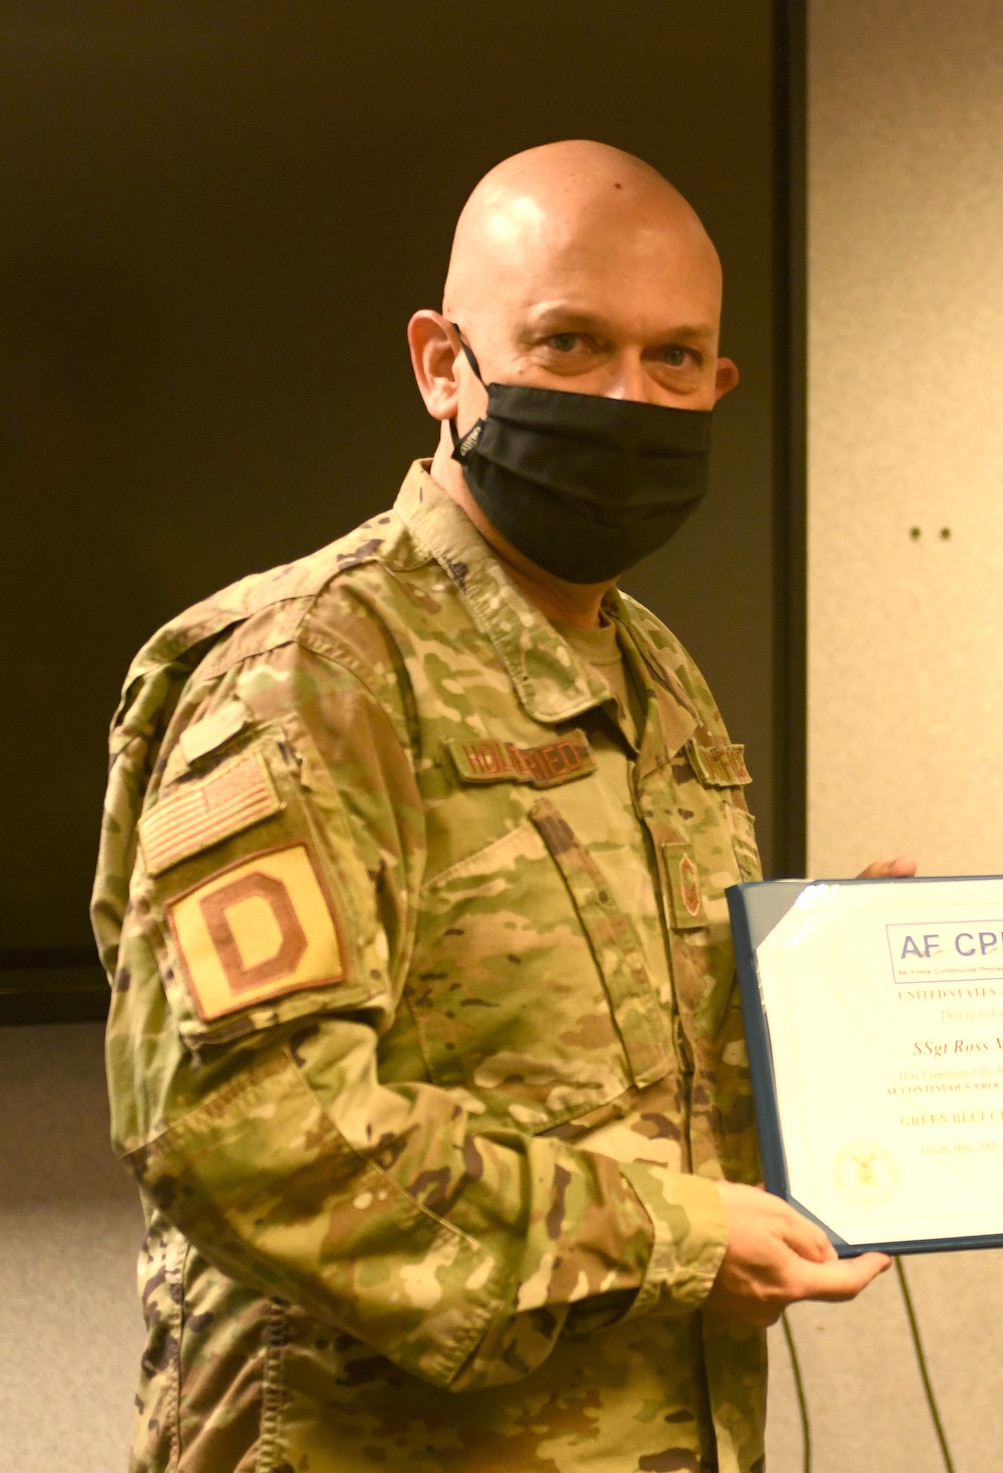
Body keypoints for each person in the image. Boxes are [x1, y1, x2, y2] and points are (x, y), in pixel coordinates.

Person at [93, 141, 900, 1473]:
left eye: (675, 358)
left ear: (719, 381)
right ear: (440, 361)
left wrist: (856, 1002)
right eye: (570, 344)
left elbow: (638, 1079)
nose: (629, 398)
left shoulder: (653, 670)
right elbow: (245, 1126)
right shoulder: (308, 669)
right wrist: (673, 1235)